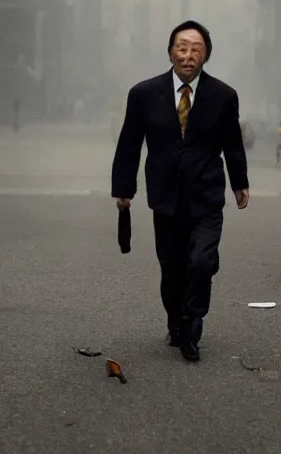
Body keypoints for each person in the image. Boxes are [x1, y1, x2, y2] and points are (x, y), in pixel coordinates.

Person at [111, 20, 249, 362]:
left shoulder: (223, 96)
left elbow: (232, 144)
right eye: (182, 48)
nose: (188, 56)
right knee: (172, 269)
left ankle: (192, 322)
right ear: (171, 52)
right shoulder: (144, 94)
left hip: (206, 194)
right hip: (165, 196)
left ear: (206, 56)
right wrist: (124, 188)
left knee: (201, 262)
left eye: (196, 49)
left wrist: (240, 182)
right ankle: (175, 320)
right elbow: (130, 143)